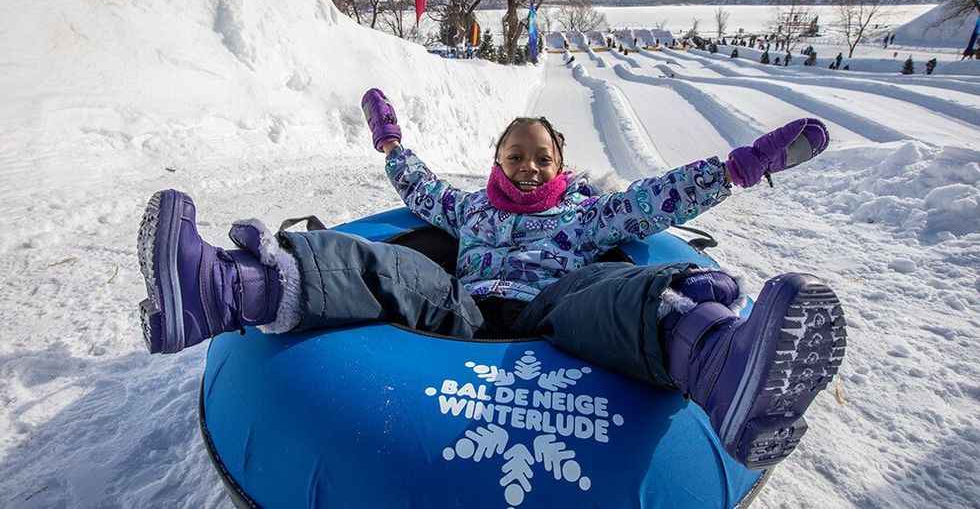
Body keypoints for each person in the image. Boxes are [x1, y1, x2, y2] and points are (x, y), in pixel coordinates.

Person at [136, 89, 846, 471]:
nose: (528, 167)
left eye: (541, 157)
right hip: (462, 311)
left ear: (560, 164)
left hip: (553, 315)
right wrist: (390, 141)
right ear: (496, 161)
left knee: (607, 291)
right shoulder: (470, 208)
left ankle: (723, 363)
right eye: (515, 156)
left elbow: (653, 201)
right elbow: (417, 190)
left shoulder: (588, 215)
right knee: (395, 266)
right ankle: (223, 289)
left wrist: (738, 167)